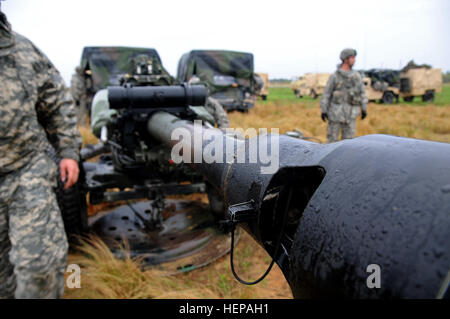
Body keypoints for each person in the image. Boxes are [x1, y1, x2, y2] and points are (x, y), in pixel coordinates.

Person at [0, 8, 81, 298]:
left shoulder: (22, 50)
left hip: (26, 169)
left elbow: (56, 100)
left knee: (40, 266)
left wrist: (68, 151)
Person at [320, 48, 368, 143]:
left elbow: (362, 93)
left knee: (348, 144)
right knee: (331, 141)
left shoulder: (356, 76)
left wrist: (364, 109)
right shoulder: (335, 76)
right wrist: (324, 110)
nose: (354, 60)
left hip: (351, 114)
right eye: (352, 58)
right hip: (335, 114)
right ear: (345, 59)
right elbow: (327, 94)